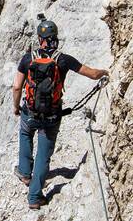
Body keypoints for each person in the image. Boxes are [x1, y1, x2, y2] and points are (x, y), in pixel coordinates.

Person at [11, 14, 108, 209]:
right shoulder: (63, 60)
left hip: (29, 111)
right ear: (56, 38)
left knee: (25, 132)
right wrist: (106, 72)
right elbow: (91, 74)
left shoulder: (27, 59)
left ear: (39, 39)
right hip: (52, 115)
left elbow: (16, 87)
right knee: (43, 155)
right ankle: (35, 197)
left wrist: (16, 107)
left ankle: (24, 171)